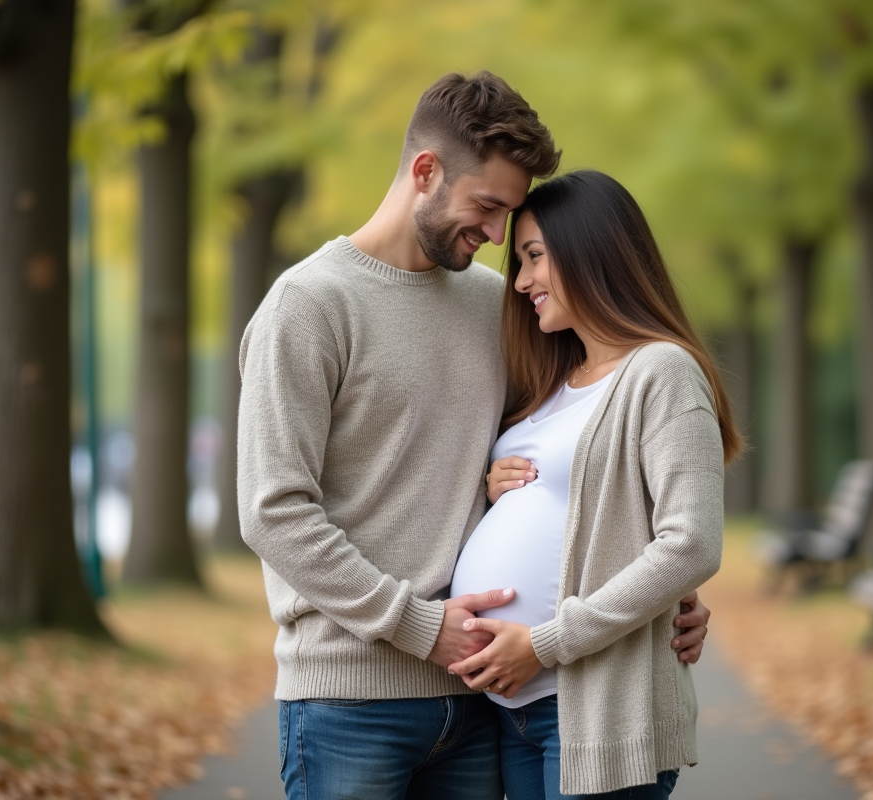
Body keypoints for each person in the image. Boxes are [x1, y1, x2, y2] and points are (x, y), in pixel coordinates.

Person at [236, 73, 713, 800]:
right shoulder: (307, 307)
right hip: (350, 698)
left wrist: (663, 604)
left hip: (481, 703)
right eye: (488, 207)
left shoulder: (495, 305)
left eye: (512, 221)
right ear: (425, 171)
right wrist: (422, 626)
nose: (497, 238)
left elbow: (585, 453)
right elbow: (274, 512)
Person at [448, 170, 742, 799]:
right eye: (518, 262)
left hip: (594, 709)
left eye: (533, 257)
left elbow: (691, 544)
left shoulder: (661, 371)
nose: (521, 281)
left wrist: (546, 643)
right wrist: (493, 489)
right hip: (514, 713)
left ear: (592, 250)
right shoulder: (555, 379)